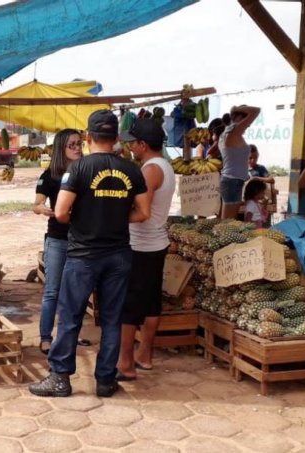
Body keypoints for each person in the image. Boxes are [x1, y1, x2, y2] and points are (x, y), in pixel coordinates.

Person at [29, 110, 150, 398]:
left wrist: (87, 219)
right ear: (116, 138)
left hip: (84, 255)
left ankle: (60, 379)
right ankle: (105, 381)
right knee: (111, 319)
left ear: (88, 137)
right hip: (119, 254)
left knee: (71, 316)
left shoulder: (79, 169)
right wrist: (115, 219)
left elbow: (60, 212)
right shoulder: (132, 170)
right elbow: (143, 212)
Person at [115, 119, 175, 381]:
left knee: (129, 307)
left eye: (133, 142)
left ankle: (125, 363)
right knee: (151, 304)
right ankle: (145, 355)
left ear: (142, 144)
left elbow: (142, 212)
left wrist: (113, 218)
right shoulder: (165, 166)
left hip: (141, 245)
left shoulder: (151, 170)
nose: (129, 145)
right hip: (156, 244)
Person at [32, 128, 87, 354]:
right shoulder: (51, 175)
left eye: (79, 143)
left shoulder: (86, 171)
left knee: (78, 292)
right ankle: (46, 337)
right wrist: (42, 209)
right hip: (58, 239)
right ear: (61, 149)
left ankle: (74, 334)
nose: (76, 148)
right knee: (52, 291)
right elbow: (35, 204)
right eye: (71, 145)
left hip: (83, 239)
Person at [219, 105, 261, 219]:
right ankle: (222, 236)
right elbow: (257, 110)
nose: (249, 124)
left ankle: (224, 236)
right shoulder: (233, 132)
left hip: (234, 181)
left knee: (230, 220)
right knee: (227, 221)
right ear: (238, 119)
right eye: (246, 120)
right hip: (231, 181)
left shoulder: (230, 133)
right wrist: (237, 108)